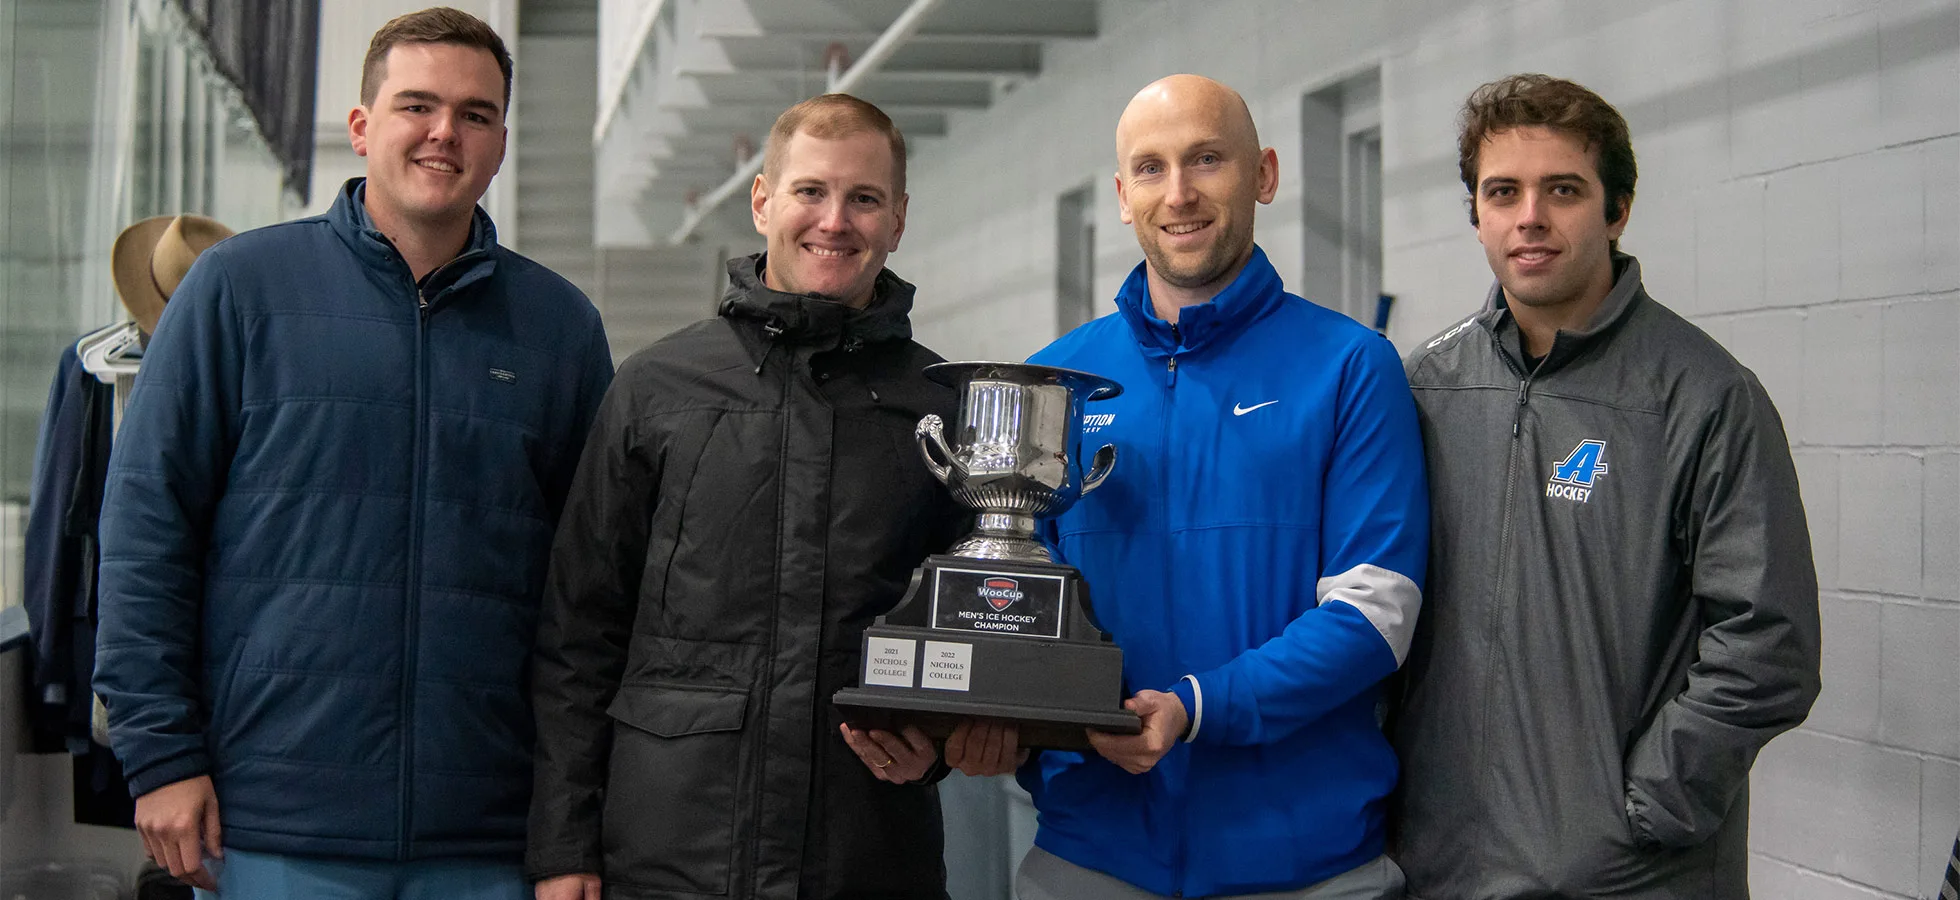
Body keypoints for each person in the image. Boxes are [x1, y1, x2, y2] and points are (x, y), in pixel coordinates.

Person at [93, 8, 614, 897]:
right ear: (362, 125)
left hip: (486, 831)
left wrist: (569, 827)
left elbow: (591, 596)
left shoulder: (559, 329)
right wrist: (161, 753)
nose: (445, 132)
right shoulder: (238, 293)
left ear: (498, 144)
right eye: (417, 105)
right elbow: (147, 528)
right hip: (275, 820)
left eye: (476, 114)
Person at [526, 92, 1018, 900]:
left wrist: (941, 739)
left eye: (864, 198)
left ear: (897, 220)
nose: (835, 221)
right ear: (763, 201)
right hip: (670, 858)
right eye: (811, 192)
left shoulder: (941, 409)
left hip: (864, 858)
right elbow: (579, 633)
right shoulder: (655, 391)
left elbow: (980, 622)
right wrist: (563, 845)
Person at [1391, 73, 1821, 899]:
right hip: (1441, 863)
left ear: (1616, 209)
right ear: (1475, 213)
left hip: (1625, 873)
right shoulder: (1427, 388)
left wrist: (1649, 805)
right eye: (1503, 191)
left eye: (1563, 190)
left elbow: (1771, 643)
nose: (1530, 218)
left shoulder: (1703, 397)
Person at [1018, 74, 1429, 900]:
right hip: (1090, 856)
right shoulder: (1057, 380)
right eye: (1151, 168)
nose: (1179, 194)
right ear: (1123, 197)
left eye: (1207, 160)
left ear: (1264, 175)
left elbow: (1375, 612)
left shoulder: (1350, 367)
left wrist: (1199, 707)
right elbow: (1021, 603)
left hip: (1303, 865)